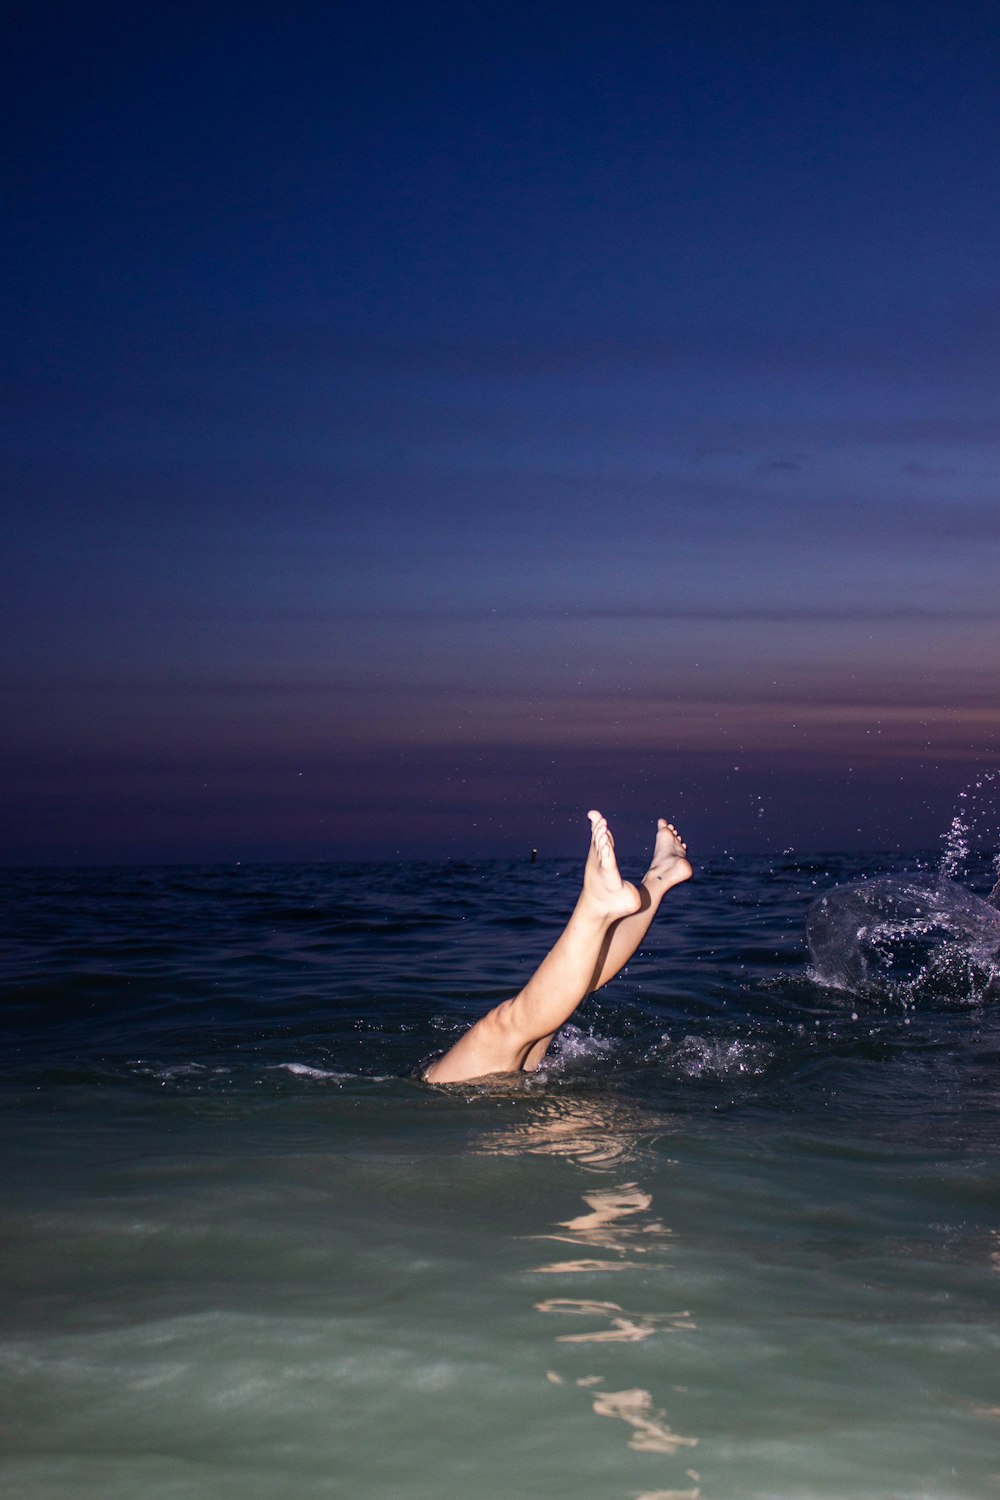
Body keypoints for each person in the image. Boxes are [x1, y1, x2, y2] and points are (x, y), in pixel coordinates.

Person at [423, 810, 692, 1084]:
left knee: (569, 983)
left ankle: (658, 880)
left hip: (490, 1100)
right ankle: (601, 903)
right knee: (503, 1025)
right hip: (440, 1097)